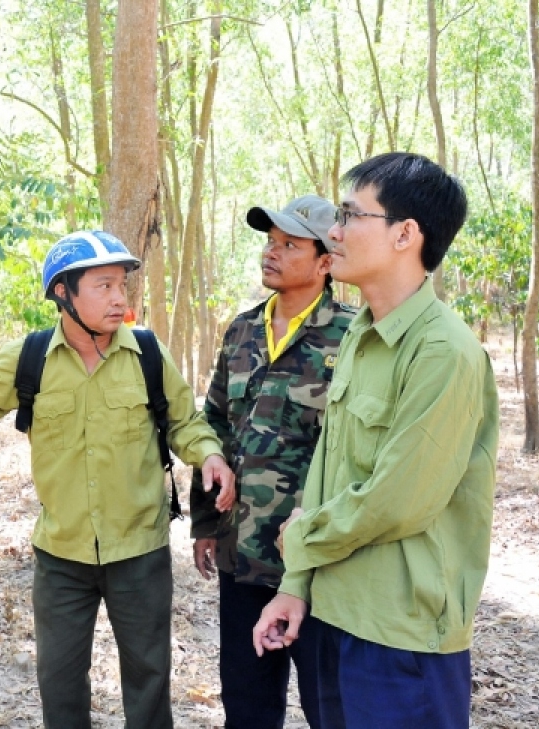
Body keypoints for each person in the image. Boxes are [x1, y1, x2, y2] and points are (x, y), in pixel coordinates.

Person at [0, 231, 235, 729]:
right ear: (63, 293)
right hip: (61, 557)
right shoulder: (31, 358)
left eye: (122, 285)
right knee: (60, 682)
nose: (119, 297)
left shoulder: (148, 354)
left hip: (140, 552)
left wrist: (209, 453)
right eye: (103, 285)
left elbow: (184, 422)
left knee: (149, 681)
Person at [252, 153, 499, 729]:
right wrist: (296, 586)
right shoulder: (361, 335)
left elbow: (399, 498)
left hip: (401, 635)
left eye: (350, 216)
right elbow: (327, 467)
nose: (333, 233)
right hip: (336, 614)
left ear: (404, 235)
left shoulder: (443, 352)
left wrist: (303, 537)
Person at [191, 194, 354, 729]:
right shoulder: (240, 331)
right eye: (270, 242)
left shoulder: (351, 337)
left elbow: (353, 452)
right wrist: (207, 523)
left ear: (327, 261)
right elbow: (212, 425)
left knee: (326, 705)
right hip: (243, 557)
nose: (272, 253)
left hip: (316, 566)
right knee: (247, 703)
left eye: (290, 245)